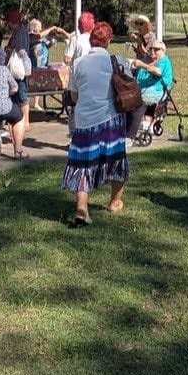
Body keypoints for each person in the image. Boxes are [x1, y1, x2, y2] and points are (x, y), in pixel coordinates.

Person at [63, 22, 128, 227]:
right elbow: (128, 84)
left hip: (84, 120)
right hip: (111, 119)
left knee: (82, 164)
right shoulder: (117, 61)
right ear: (108, 41)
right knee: (116, 159)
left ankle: (82, 208)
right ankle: (115, 201)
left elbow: (74, 95)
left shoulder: (78, 63)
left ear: (91, 40)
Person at [128, 36, 174, 142]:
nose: (152, 51)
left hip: (158, 91)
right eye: (151, 49)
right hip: (143, 88)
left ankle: (130, 135)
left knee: (138, 101)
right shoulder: (150, 60)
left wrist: (142, 65)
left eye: (156, 49)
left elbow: (158, 71)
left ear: (163, 50)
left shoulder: (163, 61)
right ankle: (128, 127)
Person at [4, 29, 33, 158]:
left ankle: (26, 121)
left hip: (19, 75)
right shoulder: (20, 31)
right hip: (18, 74)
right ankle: (20, 123)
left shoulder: (20, 35)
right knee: (18, 98)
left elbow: (21, 53)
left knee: (22, 97)